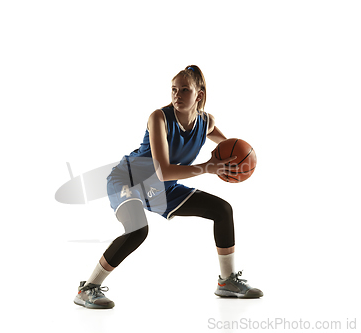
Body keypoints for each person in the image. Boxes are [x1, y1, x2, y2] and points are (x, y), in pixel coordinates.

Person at [74, 65, 263, 309]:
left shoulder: (206, 123)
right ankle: (88, 288)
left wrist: (243, 161)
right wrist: (208, 167)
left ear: (199, 95)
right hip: (127, 180)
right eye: (174, 89)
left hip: (162, 188)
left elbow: (231, 148)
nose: (177, 95)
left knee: (222, 210)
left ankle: (227, 283)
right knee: (137, 230)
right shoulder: (159, 118)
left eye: (185, 90)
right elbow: (162, 169)